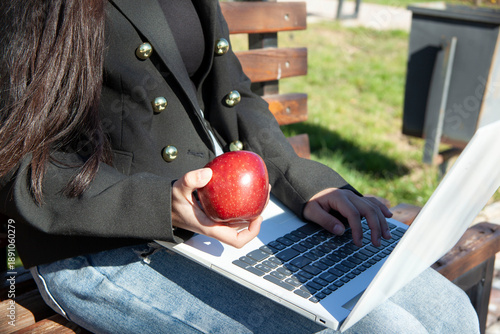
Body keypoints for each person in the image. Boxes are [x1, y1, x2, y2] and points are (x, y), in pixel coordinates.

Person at [0, 1, 479, 333]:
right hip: (104, 240)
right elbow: (14, 164)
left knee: (448, 312)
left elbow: (234, 98)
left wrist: (297, 180)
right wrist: (158, 203)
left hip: (217, 221)